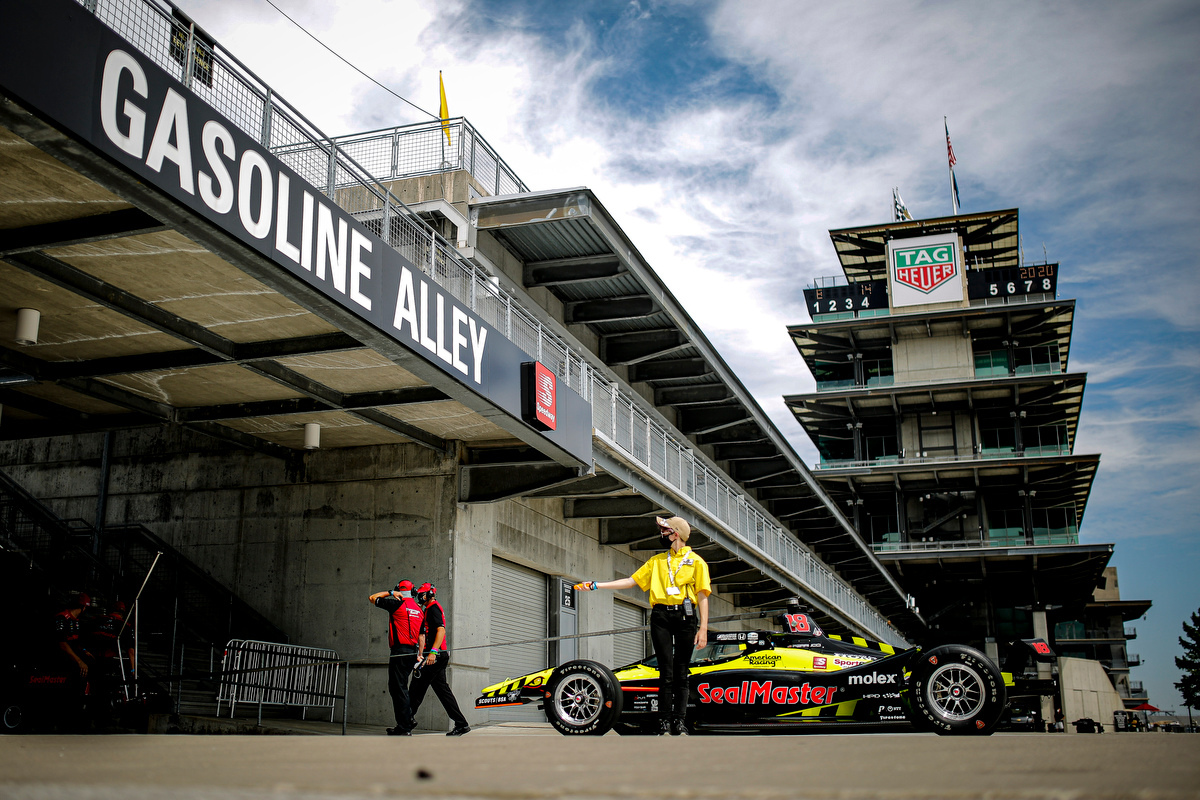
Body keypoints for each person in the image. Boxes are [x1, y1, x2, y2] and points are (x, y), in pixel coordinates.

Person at [577, 515, 710, 735]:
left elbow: (703, 595)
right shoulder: (657, 561)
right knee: (665, 672)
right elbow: (631, 581)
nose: (662, 534)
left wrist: (703, 628)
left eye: (665, 531)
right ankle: (664, 722)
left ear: (675, 534)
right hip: (660, 616)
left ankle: (680, 721)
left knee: (682, 672)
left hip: (685, 617)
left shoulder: (696, 562)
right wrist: (596, 585)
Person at [408, 582, 471, 736]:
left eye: (422, 594)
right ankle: (461, 724)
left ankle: (405, 723)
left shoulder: (433, 608)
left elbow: (441, 630)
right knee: (443, 691)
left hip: (435, 656)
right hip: (438, 656)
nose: (420, 597)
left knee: (417, 687)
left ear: (429, 594)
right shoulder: (429, 609)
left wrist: (432, 653)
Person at [368, 579, 424, 736]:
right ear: (413, 592)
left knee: (397, 688)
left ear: (399, 590)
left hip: (400, 651)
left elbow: (372, 597)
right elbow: (421, 636)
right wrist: (420, 655)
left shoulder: (396, 604)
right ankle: (406, 721)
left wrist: (391, 593)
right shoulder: (419, 610)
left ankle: (405, 725)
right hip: (413, 652)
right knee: (402, 687)